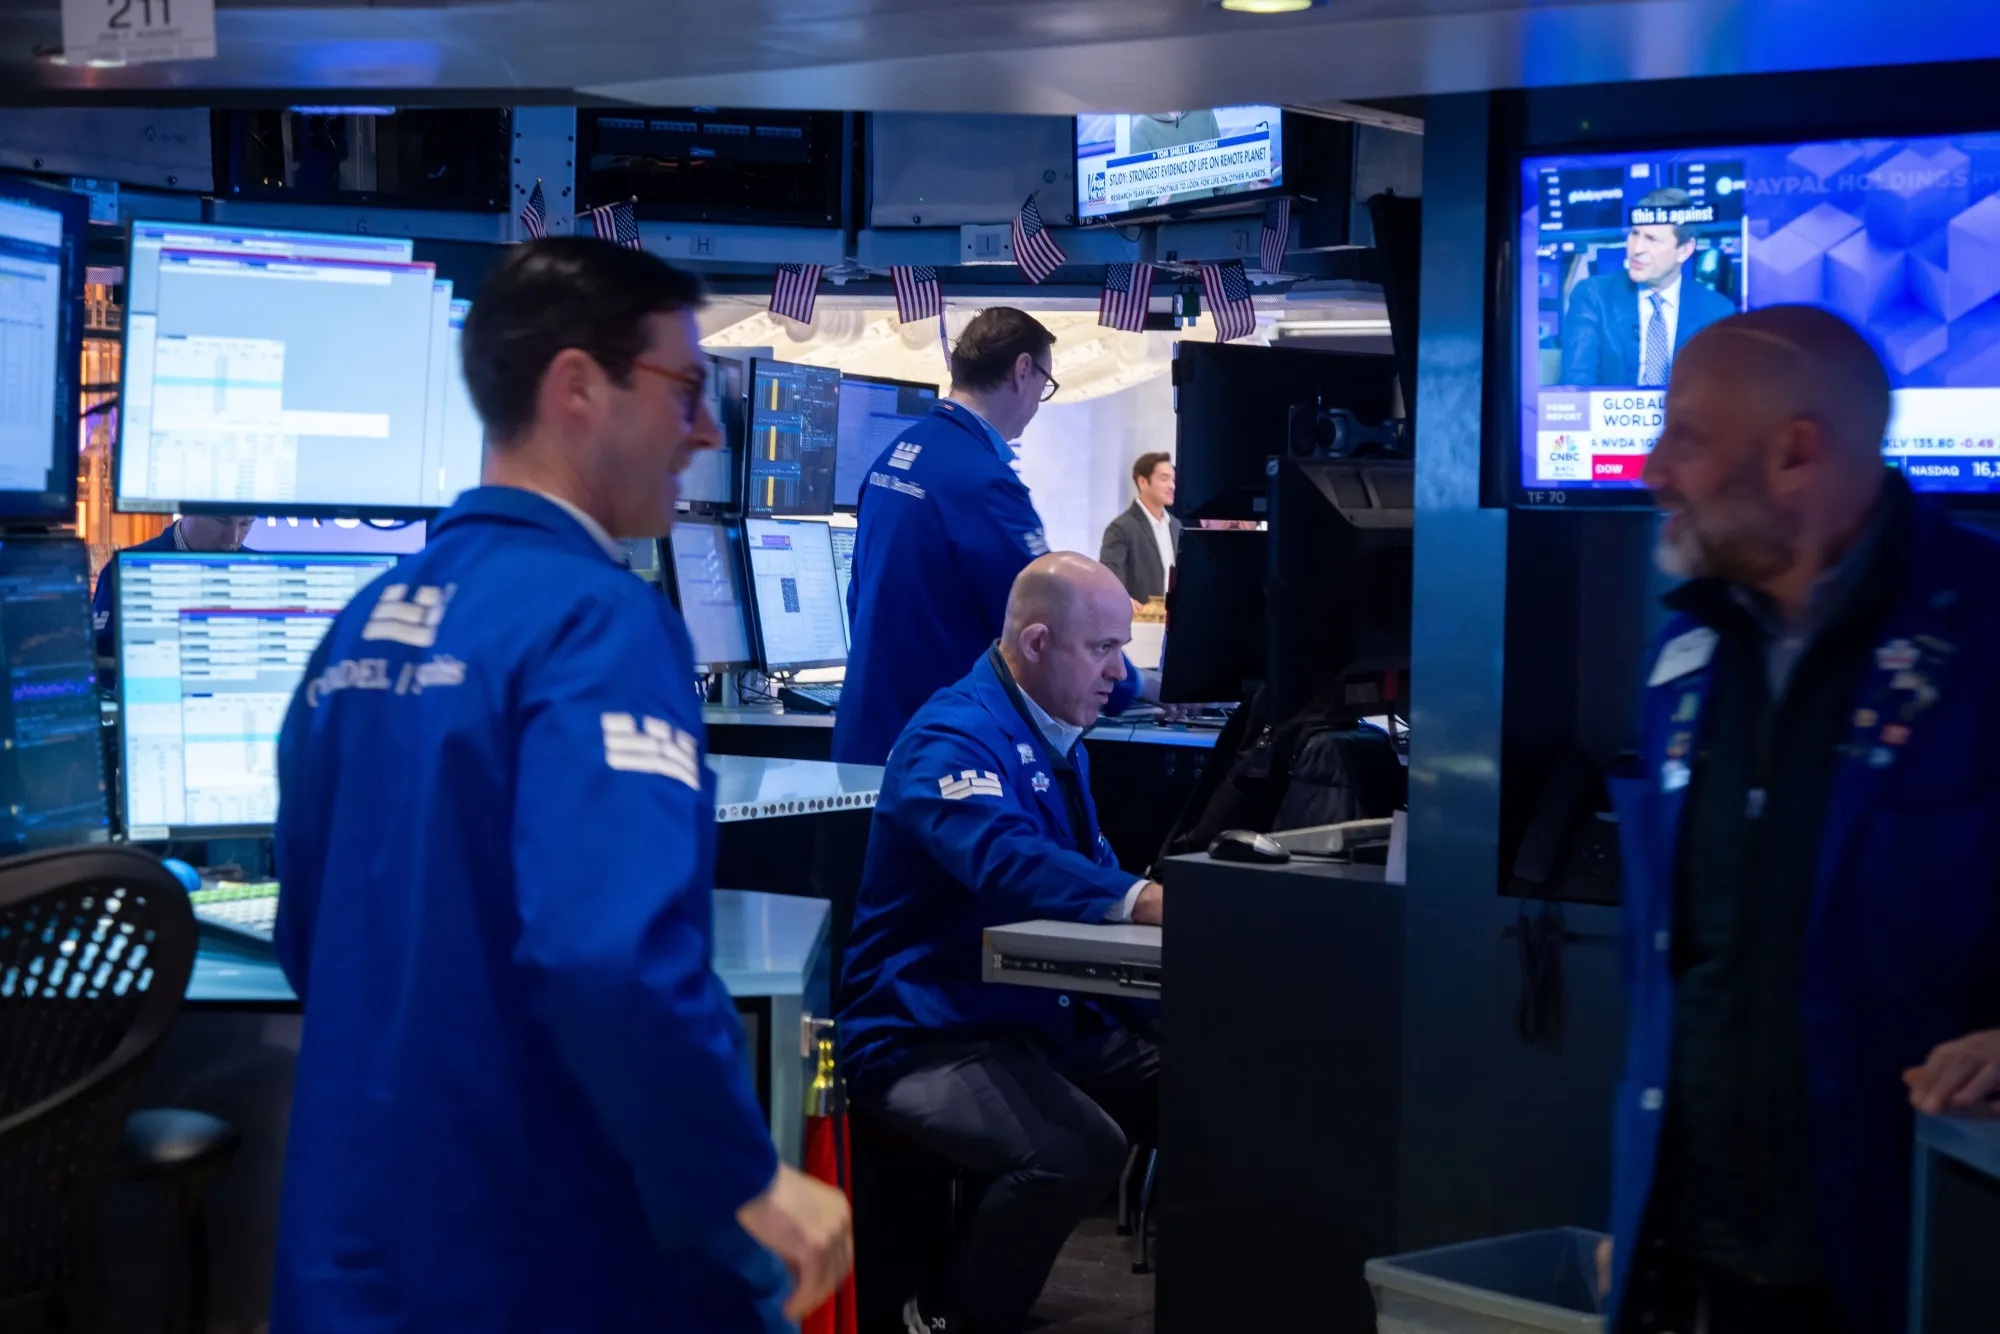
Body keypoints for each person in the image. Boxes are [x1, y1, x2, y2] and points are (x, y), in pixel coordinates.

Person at [269, 237, 851, 1334]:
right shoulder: (598, 625)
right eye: (686, 391)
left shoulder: (359, 628)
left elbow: (312, 937)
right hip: (538, 1256)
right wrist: (744, 1173)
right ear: (579, 387)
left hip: (354, 1256)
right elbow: (607, 953)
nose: (706, 432)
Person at [1605, 303, 2000, 1334]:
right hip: (1699, 1250)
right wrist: (1635, 1210)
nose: (1651, 470)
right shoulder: (1682, 655)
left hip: (1915, 1246)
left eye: (1683, 436)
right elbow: (1674, 970)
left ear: (1794, 451)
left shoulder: (1985, 632)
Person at [839, 552, 1163, 1334]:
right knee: (1075, 1149)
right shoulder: (953, 738)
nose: (1119, 674)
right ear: (1039, 643)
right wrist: (1136, 898)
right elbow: (1004, 857)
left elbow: (1082, 865)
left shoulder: (1054, 733)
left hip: (1026, 1015)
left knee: (1219, 1085)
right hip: (924, 1028)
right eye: (1102, 649)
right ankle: (951, 1319)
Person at [835, 307, 1138, 767]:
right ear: (1022, 371)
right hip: (941, 751)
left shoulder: (894, 457)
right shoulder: (986, 485)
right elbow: (1054, 623)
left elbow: (858, 600)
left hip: (868, 737)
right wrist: (1134, 686)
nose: (1038, 403)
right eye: (1045, 386)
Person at [1557, 187, 1736, 388]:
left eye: (1652, 239)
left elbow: (1720, 394)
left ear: (1685, 250)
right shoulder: (1593, 296)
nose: (1636, 249)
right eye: (1635, 234)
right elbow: (1577, 387)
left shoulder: (1717, 311)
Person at [90, 514, 255, 658]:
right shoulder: (126, 569)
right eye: (221, 520)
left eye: (245, 524)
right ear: (186, 508)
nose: (233, 539)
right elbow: (103, 661)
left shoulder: (261, 570)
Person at [1099, 452, 1180, 608]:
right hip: (1140, 623)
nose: (1172, 486)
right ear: (1143, 482)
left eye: (1173, 479)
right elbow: (1109, 578)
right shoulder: (1121, 528)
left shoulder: (1175, 526)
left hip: (1175, 621)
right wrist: (1126, 602)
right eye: (1164, 479)